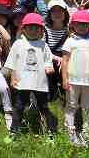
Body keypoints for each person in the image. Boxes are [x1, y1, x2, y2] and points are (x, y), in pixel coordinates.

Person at [4, 13, 58, 143]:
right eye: (30, 28)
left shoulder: (43, 45)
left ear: (41, 30)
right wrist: (12, 77)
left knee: (44, 107)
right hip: (22, 82)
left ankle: (51, 131)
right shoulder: (18, 44)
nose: (33, 31)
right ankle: (13, 131)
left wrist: (49, 67)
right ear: (23, 29)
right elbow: (12, 62)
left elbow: (48, 60)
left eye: (37, 28)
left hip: (39, 82)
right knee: (19, 107)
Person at [61, 10, 89, 147]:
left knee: (87, 106)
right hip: (73, 79)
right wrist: (64, 79)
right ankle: (70, 131)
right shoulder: (70, 41)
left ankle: (87, 133)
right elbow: (65, 61)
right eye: (78, 24)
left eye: (85, 24)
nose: (81, 27)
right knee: (71, 105)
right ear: (73, 25)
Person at [44, 0, 70, 96]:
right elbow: (42, 49)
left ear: (65, 13)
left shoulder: (69, 30)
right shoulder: (43, 29)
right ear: (49, 14)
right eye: (54, 11)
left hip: (64, 60)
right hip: (48, 59)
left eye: (60, 11)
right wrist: (56, 58)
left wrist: (64, 61)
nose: (57, 14)